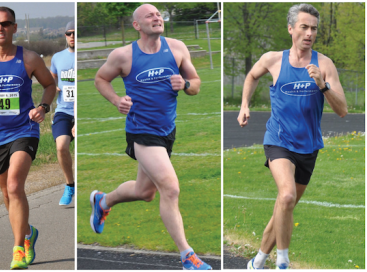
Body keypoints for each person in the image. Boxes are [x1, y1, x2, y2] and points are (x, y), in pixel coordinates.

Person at [88, 4, 211, 270]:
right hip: (141, 131)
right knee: (170, 188)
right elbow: (100, 79)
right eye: (149, 16)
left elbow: (197, 84)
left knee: (145, 192)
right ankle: (187, 255)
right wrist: (116, 100)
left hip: (167, 130)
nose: (157, 18)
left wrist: (186, 84)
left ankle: (103, 200)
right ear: (137, 25)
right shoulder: (123, 55)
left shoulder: (177, 48)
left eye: (158, 14)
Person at [237, 4, 348, 270]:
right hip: (279, 140)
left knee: (284, 209)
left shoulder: (325, 64)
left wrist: (323, 85)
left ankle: (259, 260)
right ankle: (283, 263)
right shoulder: (273, 59)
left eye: (314, 28)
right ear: (291, 29)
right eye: (304, 27)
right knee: (286, 197)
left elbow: (342, 110)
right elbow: (251, 76)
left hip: (309, 146)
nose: (309, 33)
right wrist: (244, 104)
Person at [0, 6, 58, 269]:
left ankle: (17, 249)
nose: (0, 28)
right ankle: (28, 233)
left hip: (24, 130)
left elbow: (50, 86)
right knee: (6, 193)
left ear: (15, 27)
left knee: (15, 186)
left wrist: (43, 108)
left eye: (5, 24)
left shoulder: (29, 58)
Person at [51, 22, 76, 206]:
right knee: (61, 146)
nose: (72, 36)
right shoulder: (57, 58)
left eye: (76, 33)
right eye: (69, 33)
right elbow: (50, 82)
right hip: (63, 110)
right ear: (65, 36)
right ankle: (70, 185)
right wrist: (53, 87)